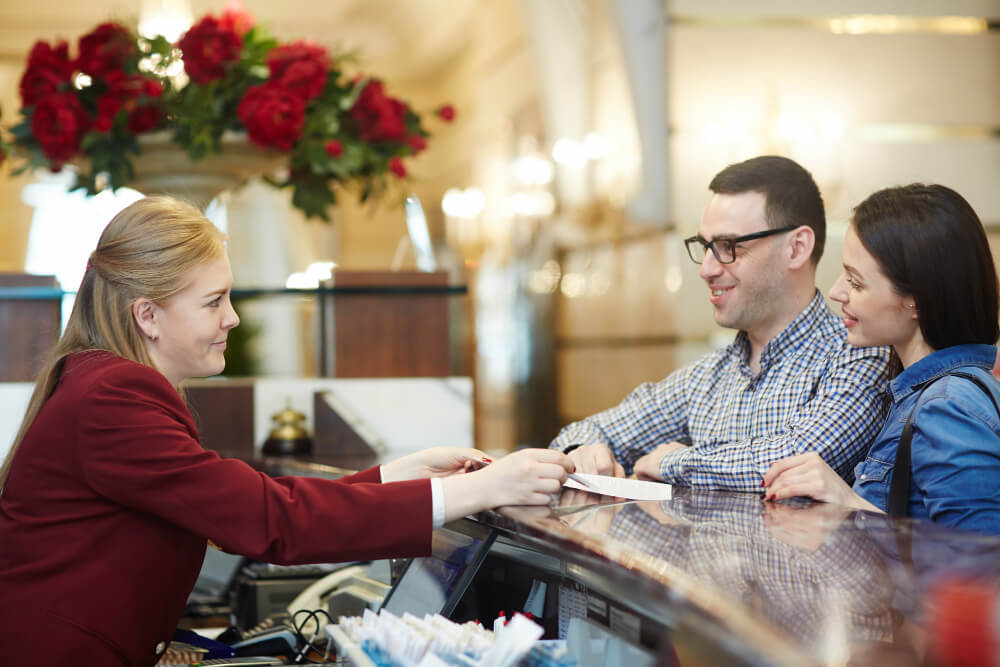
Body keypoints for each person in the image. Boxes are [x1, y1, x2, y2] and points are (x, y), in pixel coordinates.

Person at [0, 196, 572, 666]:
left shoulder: (102, 381)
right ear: (147, 315)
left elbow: (244, 505)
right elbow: (267, 520)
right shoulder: (114, 396)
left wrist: (397, 476)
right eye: (214, 301)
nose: (232, 318)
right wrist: (478, 491)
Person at [550, 155, 890, 491]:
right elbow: (585, 432)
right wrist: (583, 451)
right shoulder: (706, 377)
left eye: (728, 246)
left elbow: (795, 461)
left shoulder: (858, 354)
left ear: (797, 248)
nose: (706, 269)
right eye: (705, 247)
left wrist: (674, 462)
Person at [763, 184, 1000, 534]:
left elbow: (980, 564)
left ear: (916, 300)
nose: (836, 292)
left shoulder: (947, 406)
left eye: (856, 283)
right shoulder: (925, 394)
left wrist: (849, 504)